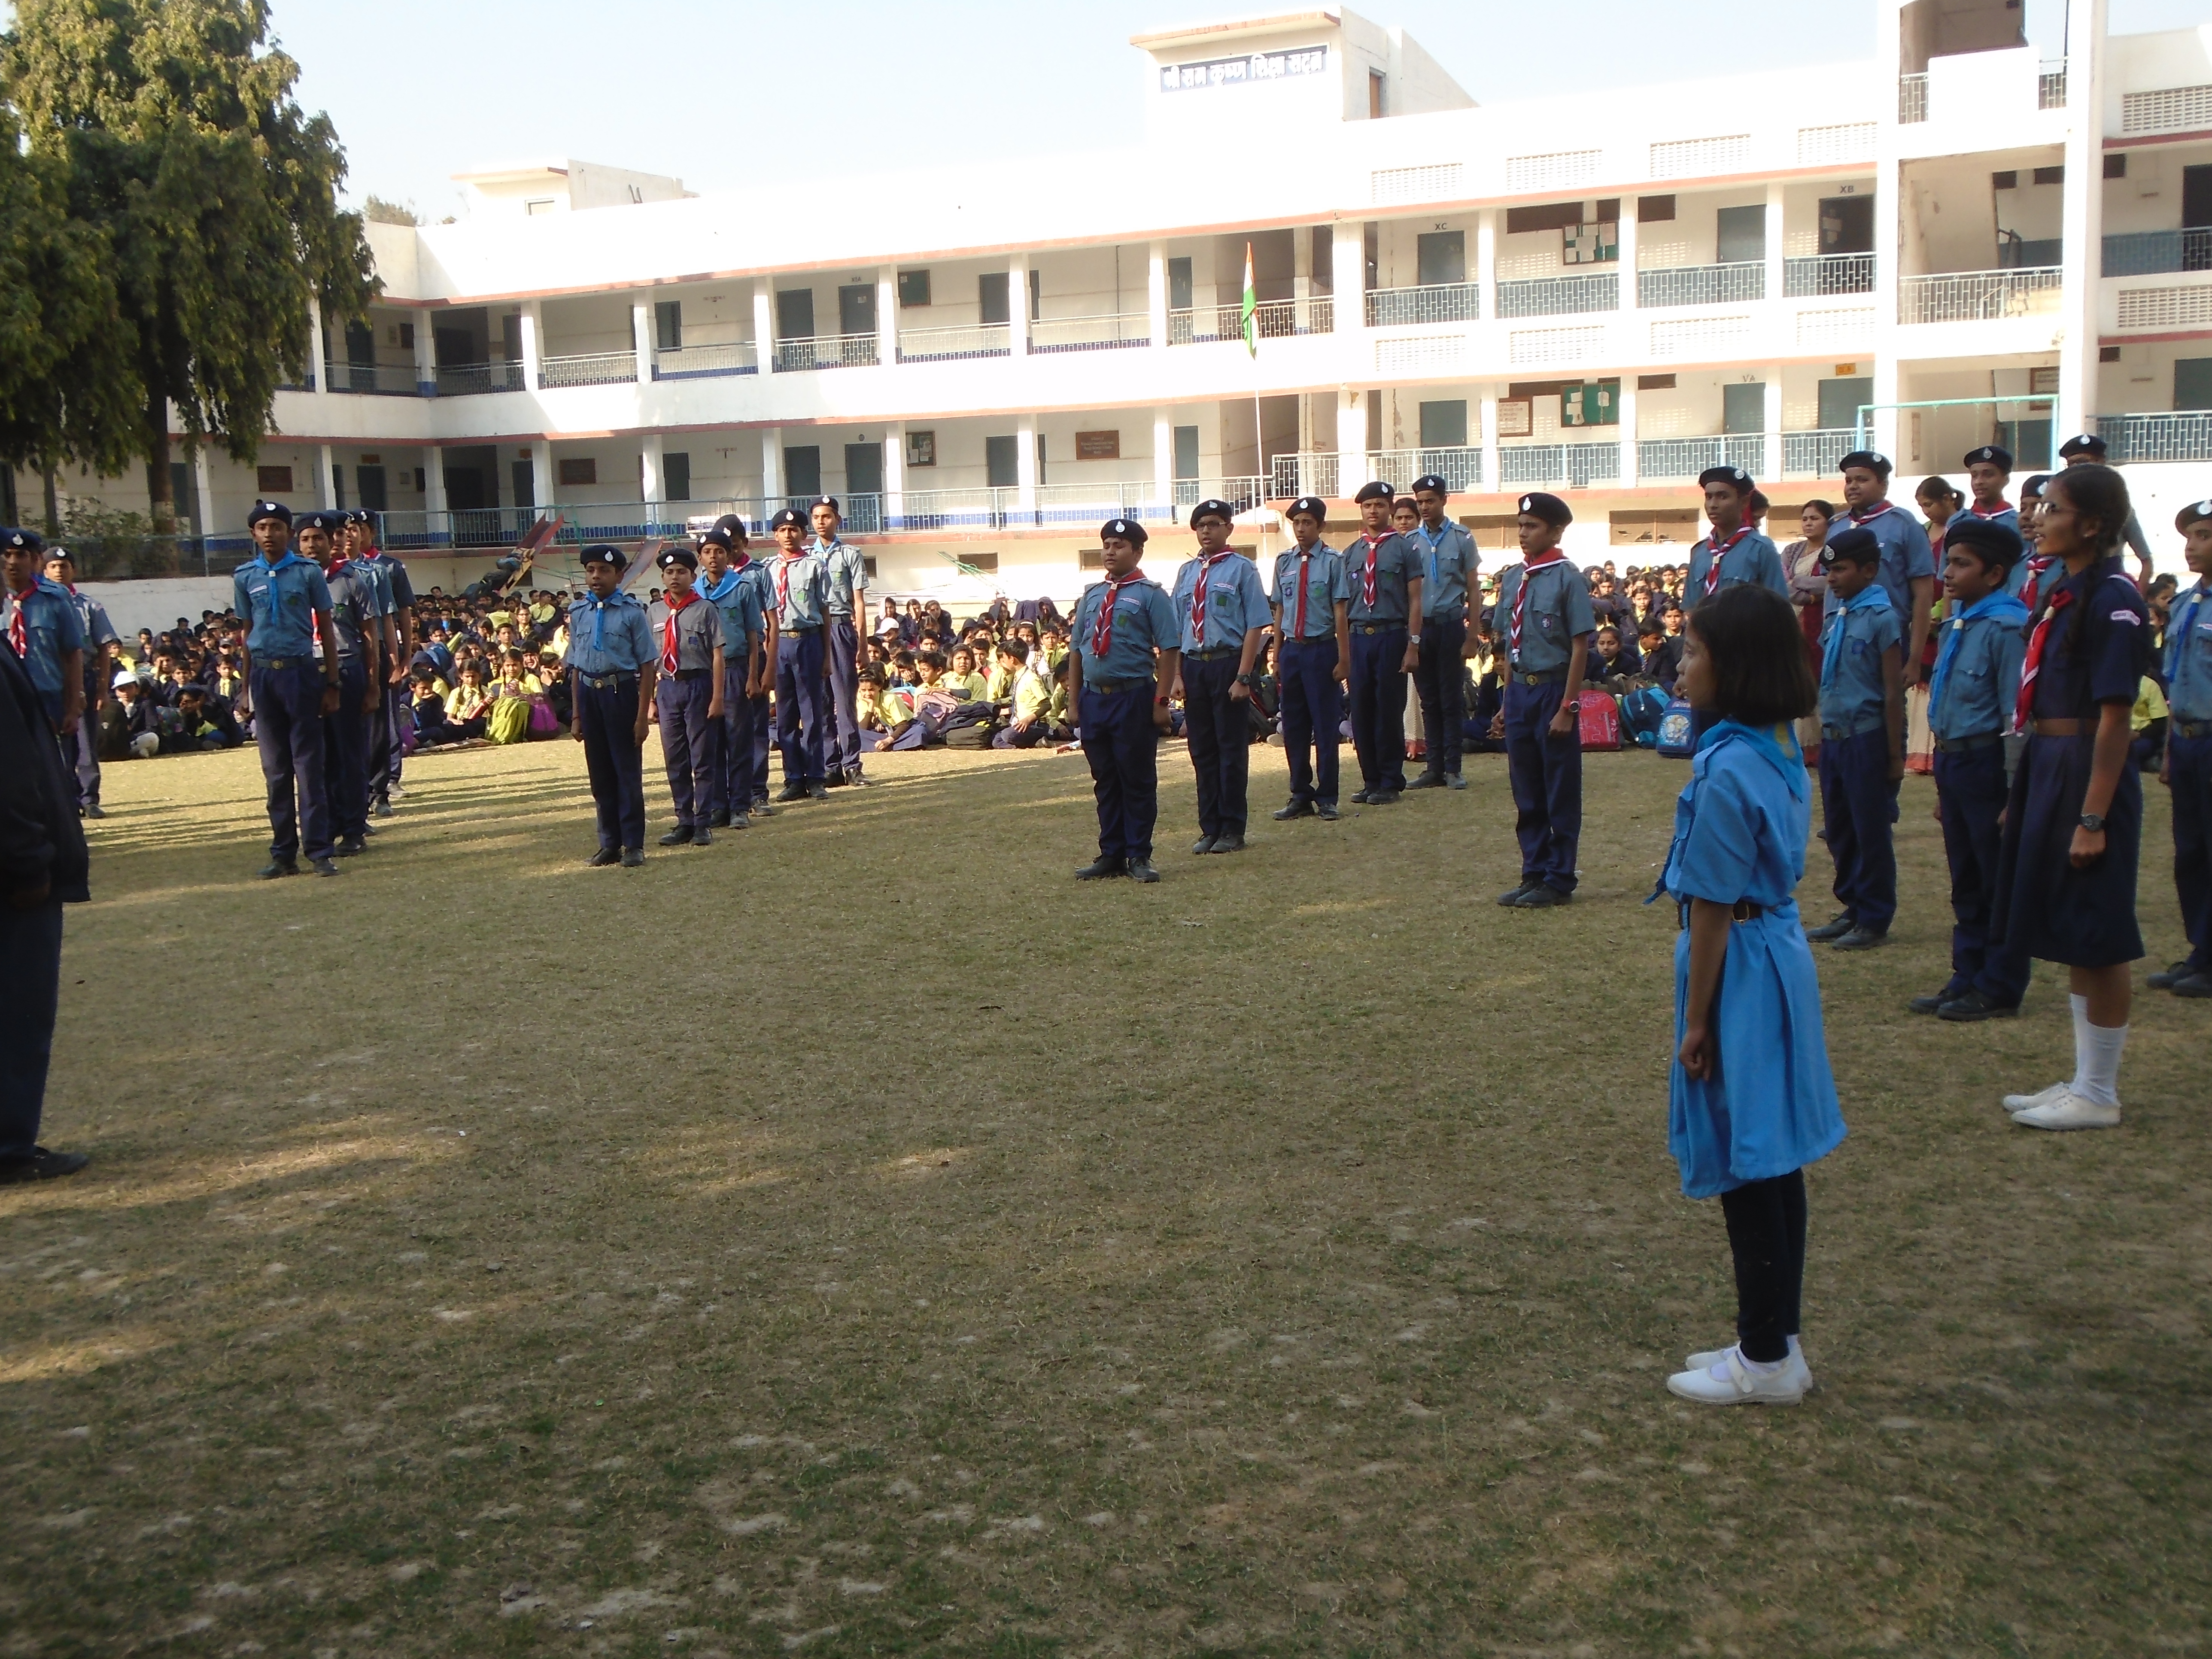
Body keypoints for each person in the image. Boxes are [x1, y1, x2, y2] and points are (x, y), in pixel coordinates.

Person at [1660, 583, 1842, 1406]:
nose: (1681, 662)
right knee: (1773, 1156)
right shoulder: (1770, 743)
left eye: (1694, 650)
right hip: (1773, 947)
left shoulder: (1730, 764)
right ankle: (1773, 1338)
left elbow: (1708, 906)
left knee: (1749, 1162)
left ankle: (1764, 1355)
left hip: (1739, 961)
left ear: (1732, 666)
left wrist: (1697, 1018)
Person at [1994, 464, 2155, 1130]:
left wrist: (2092, 816)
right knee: (2068, 924)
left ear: (2092, 524)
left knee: (2099, 930)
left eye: (2052, 507)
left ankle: (2100, 1092)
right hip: (2053, 760)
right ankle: (2084, 1078)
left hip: (2088, 766)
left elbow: (2115, 718)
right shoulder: (2066, 590)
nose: (2037, 517)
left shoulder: (2113, 598)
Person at [1910, 517, 2031, 1021]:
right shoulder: (1961, 620)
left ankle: (1999, 983)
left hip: (1986, 762)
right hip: (1955, 760)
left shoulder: (2006, 626)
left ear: (1996, 573)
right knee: (1965, 876)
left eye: (1963, 564)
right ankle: (1967, 973)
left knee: (1994, 875)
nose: (1950, 573)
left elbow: (2014, 713)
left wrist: (2011, 789)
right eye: (1948, 562)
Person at [0, 632, 91, 1186]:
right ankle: (10, 1142)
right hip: (13, 870)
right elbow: (11, 769)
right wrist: (29, 859)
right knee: (20, 1009)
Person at [1492, 492, 1593, 908]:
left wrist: (1568, 707)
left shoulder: (1568, 577)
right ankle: (1533, 870)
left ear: (1554, 531)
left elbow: (1579, 646)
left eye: (1531, 526)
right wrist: (1505, 702)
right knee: (1526, 788)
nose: (1522, 533)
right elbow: (1508, 644)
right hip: (1520, 690)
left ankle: (1558, 876)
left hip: (1553, 689)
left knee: (1559, 788)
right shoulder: (1515, 577)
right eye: (1520, 525)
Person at [233, 501, 343, 878]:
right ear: (253, 534)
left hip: (301, 674)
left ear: (288, 533)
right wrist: (244, 687)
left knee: (309, 767)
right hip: (264, 677)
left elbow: (326, 628)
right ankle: (283, 853)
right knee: (276, 771)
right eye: (262, 527)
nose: (269, 534)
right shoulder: (245, 576)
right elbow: (246, 634)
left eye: (277, 527)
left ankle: (319, 851)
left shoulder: (308, 573)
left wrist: (332, 681)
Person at [1067, 517, 1180, 882]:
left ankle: (1139, 855)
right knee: (1105, 780)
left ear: (1138, 551)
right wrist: (1073, 702)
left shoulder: (1151, 595)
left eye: (1119, 546)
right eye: (1106, 545)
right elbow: (1076, 652)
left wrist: (1161, 701)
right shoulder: (1092, 595)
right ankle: (1110, 853)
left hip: (1133, 697)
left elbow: (1169, 650)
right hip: (1095, 699)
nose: (1110, 552)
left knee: (1137, 779)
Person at [1806, 528, 1905, 950]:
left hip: (1867, 737)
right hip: (1835, 738)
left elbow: (1891, 691)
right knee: (1841, 830)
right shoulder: (1836, 615)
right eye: (1828, 570)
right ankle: (1852, 906)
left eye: (1841, 570)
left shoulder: (1882, 618)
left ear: (1869, 570)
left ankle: (1875, 915)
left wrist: (1895, 753)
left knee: (1870, 831)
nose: (1831, 578)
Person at [1170, 498, 1269, 854]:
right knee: (1202, 750)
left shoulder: (1242, 569)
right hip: (1194, 666)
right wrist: (1177, 676)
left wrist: (1244, 676)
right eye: (1200, 526)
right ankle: (1208, 827)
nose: (1206, 531)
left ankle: (1232, 828)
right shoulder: (1186, 573)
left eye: (1213, 524)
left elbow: (1256, 624)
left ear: (1229, 528)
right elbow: (1178, 628)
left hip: (1228, 664)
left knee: (1230, 749)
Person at [2153, 498, 2212, 999]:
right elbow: (2175, 684)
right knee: (2190, 852)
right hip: (2188, 740)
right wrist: (2171, 750)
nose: (2192, 547)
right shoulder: (2186, 603)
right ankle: (2201, 950)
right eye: (2190, 537)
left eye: (2203, 536)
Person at [565, 544, 657, 867]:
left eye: (603, 571)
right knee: (600, 774)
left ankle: (634, 844)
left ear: (619, 575)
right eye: (590, 571)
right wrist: (576, 714)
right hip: (591, 695)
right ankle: (609, 842)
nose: (595, 577)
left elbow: (647, 665)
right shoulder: (578, 614)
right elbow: (576, 666)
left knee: (626, 772)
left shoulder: (632, 613)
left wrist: (643, 716)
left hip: (621, 694)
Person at [304, 510, 385, 859]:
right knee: (317, 757)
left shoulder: (352, 580)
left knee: (350, 754)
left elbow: (370, 638)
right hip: (307, 673)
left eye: (321, 539)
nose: (314, 545)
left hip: (349, 671)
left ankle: (353, 829)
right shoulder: (295, 581)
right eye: (306, 539)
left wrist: (372, 685)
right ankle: (325, 826)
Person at [1270, 495, 1352, 822]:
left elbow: (1340, 611)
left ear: (1320, 526)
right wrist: (1276, 654)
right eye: (1296, 523)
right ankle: (1299, 793)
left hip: (1321, 648)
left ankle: (1328, 796)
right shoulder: (1283, 562)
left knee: (1326, 724)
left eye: (1307, 523)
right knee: (1294, 724)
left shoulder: (1333, 561)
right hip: (1292, 649)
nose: (1301, 529)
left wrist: (1344, 658)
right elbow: (1279, 609)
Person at [1342, 482, 1425, 805]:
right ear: (1361, 511)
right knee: (1361, 711)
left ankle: (1391, 780)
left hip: (1392, 635)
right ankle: (1370, 779)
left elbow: (1416, 600)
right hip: (1359, 637)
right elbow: (1343, 606)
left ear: (1390, 508)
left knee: (1389, 710)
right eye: (1367, 506)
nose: (1373, 511)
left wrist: (1413, 644)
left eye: (1379, 504)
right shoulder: (1352, 552)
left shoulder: (1405, 549)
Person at [1829, 451, 1936, 695]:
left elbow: (1923, 594)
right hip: (1839, 638)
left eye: (1862, 480)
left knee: (1885, 716)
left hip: (1885, 642)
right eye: (1849, 480)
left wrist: (1915, 660)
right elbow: (1830, 589)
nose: (1853, 486)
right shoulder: (1837, 527)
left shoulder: (1904, 524)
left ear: (1884, 485)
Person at [1404, 474, 1479, 791]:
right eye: (1419, 501)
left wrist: (1473, 634)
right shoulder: (1410, 542)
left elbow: (1474, 589)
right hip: (1422, 631)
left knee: (1451, 699)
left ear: (1444, 500)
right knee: (1428, 701)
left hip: (1450, 626)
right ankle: (1433, 768)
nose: (1424, 507)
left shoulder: (1462, 538)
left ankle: (1453, 768)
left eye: (1430, 501)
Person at [649, 545, 726, 847]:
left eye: (681, 572)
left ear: (692, 576)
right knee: (675, 758)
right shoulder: (654, 611)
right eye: (669, 572)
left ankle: (703, 822)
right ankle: (684, 820)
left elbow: (718, 655)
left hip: (698, 685)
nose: (675, 577)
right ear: (663, 577)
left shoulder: (705, 609)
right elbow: (647, 659)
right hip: (668, 687)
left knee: (702, 757)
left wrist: (717, 697)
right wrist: (651, 700)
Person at [702, 515, 778, 821]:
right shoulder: (698, 586)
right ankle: (720, 803)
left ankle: (754, 794)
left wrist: (765, 670)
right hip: (707, 671)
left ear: (742, 544)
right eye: (713, 549)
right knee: (714, 739)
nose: (722, 554)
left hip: (743, 665)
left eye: (729, 547)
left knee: (749, 734)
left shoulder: (753, 578)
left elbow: (767, 625)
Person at [346, 508, 416, 818]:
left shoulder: (385, 568)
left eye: (359, 528)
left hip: (381, 652)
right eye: (348, 528)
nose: (352, 534)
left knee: (384, 723)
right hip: (349, 656)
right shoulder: (329, 572)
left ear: (370, 531)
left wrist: (403, 658)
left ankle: (386, 781)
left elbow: (400, 614)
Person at [40, 548, 118, 819]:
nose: (59, 571)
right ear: (44, 570)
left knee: (85, 743)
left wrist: (102, 688)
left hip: (82, 677)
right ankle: (65, 799)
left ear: (74, 570)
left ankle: (89, 797)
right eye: (53, 566)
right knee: (56, 744)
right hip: (48, 678)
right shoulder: (39, 604)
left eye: (65, 565)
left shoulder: (89, 606)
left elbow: (104, 648)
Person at [1, 528, 85, 764]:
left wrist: (73, 704)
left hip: (47, 698)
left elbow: (72, 653)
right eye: (7, 555)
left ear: (36, 560)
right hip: (7, 699)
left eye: (21, 555)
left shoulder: (55, 599)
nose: (12, 563)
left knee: (55, 770)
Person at [766, 507, 832, 804]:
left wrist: (827, 655)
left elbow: (826, 613)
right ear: (775, 535)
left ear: (804, 534)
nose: (788, 535)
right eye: (782, 530)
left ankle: (816, 777)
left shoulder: (815, 566)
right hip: (778, 644)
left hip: (808, 641)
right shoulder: (767, 569)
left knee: (812, 715)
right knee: (785, 716)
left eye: (794, 530)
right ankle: (793, 778)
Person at [808, 495, 873, 788]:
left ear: (837, 520)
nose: (822, 522)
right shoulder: (806, 558)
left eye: (827, 516)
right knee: (820, 702)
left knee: (845, 700)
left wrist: (862, 644)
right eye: (817, 517)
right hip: (812, 630)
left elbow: (859, 603)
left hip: (839, 627)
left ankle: (852, 765)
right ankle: (829, 765)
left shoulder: (850, 554)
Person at [2056, 432, 2155, 585]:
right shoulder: (2058, 509)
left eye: (2083, 462)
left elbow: (2146, 562)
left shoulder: (2121, 509)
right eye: (2071, 464)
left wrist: (2137, 598)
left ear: (2101, 462)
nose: (2076, 469)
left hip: (2105, 586)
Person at [989, 637, 1055, 748]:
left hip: (1034, 724)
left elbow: (1046, 705)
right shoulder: (1017, 676)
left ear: (1012, 660)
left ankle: (1039, 736)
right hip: (1019, 724)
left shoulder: (1031, 678)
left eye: (1004, 658)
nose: (1003, 661)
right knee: (997, 740)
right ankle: (1036, 743)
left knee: (1007, 735)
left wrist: (1028, 720)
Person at [1962, 445, 2019, 535]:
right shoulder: (1959, 521)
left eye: (1988, 475)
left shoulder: (2019, 523)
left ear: (2006, 479)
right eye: (1974, 476)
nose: (1979, 482)